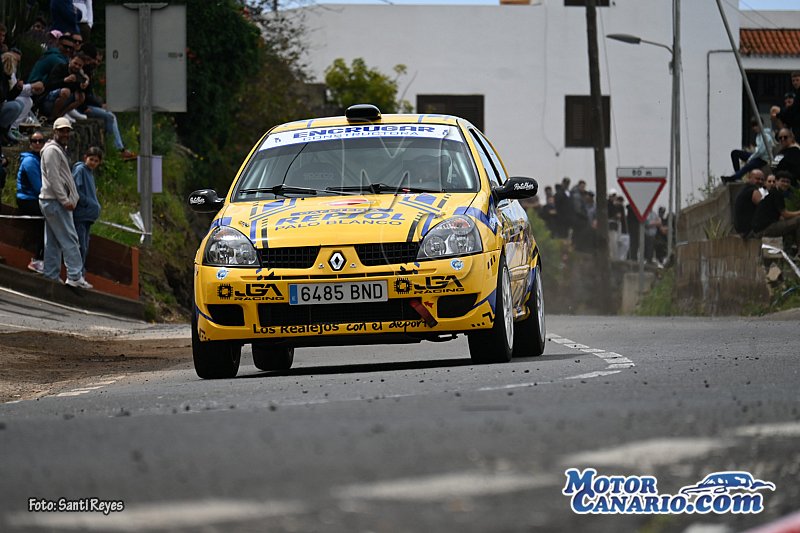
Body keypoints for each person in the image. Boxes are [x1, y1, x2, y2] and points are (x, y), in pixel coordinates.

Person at [38, 116, 93, 289]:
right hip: (55, 201)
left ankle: (51, 275)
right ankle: (75, 275)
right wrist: (65, 200)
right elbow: (54, 178)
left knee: (53, 241)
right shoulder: (52, 151)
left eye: (67, 131)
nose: (65, 134)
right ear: (54, 131)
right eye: (62, 130)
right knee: (70, 239)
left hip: (51, 200)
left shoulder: (58, 150)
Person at [16, 131, 47, 273]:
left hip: (35, 197)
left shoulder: (40, 159)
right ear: (30, 144)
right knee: (47, 220)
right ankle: (37, 259)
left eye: (40, 141)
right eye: (34, 141)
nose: (37, 144)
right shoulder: (30, 161)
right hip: (27, 199)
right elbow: (38, 186)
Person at [751, 171, 800, 257]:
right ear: (776, 181)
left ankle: (790, 248)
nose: (785, 184)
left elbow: (782, 216)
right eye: (783, 181)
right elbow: (785, 214)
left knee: (792, 223)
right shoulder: (777, 194)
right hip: (764, 230)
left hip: (763, 227)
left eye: (787, 182)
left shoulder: (774, 193)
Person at [72, 146, 102, 275]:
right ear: (85, 158)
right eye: (91, 159)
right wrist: (87, 203)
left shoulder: (90, 173)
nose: (93, 163)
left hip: (88, 215)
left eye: (96, 161)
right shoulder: (80, 170)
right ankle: (76, 273)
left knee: (85, 245)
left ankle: (80, 273)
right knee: (80, 245)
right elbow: (75, 189)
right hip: (81, 214)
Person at [721, 119, 774, 183]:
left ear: (761, 125)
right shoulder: (758, 135)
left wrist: (750, 158)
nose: (754, 128)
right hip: (756, 156)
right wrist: (751, 157)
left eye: (756, 125)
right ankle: (737, 175)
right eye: (753, 126)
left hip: (763, 159)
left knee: (747, 166)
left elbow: (760, 151)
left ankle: (733, 178)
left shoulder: (766, 136)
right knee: (735, 153)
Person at [40, 52, 89, 121]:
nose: (77, 66)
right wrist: (64, 80)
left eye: (79, 65)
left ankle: (61, 115)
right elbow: (49, 84)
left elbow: (82, 89)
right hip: (49, 98)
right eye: (75, 63)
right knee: (66, 91)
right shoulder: (60, 67)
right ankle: (53, 117)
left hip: (64, 101)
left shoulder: (78, 75)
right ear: (70, 60)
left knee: (81, 96)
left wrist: (84, 85)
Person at [732, 168, 766, 237]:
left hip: (743, 230)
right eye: (757, 179)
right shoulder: (753, 190)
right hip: (749, 231)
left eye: (762, 180)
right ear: (749, 178)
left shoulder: (744, 189)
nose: (760, 181)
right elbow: (766, 208)